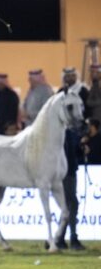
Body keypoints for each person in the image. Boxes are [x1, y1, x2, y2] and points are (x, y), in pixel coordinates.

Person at [57, 67, 89, 251]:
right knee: (70, 202)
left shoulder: (81, 92)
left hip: (68, 162)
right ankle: (67, 238)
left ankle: (61, 237)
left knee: (68, 202)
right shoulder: (66, 131)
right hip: (66, 165)